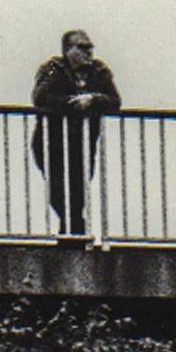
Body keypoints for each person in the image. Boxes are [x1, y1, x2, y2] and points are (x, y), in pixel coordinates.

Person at [32, 30, 119, 241]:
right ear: (68, 50)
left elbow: (114, 101)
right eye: (82, 47)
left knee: (79, 192)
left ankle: (71, 235)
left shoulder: (100, 71)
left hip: (83, 142)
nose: (88, 52)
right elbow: (40, 97)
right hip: (51, 141)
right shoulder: (53, 69)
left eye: (90, 47)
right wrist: (72, 104)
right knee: (58, 190)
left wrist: (94, 99)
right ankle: (74, 231)